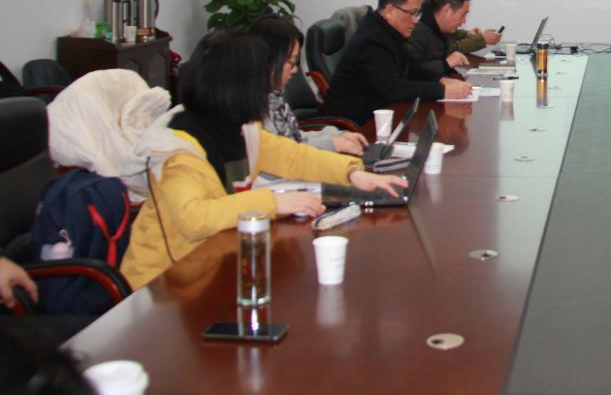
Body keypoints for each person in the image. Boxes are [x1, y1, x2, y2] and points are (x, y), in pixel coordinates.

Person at [121, 31, 405, 291]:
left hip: (217, 263)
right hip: (164, 285)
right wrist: (274, 202)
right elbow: (194, 218)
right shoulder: (178, 149)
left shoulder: (238, 127)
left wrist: (353, 174)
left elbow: (294, 156)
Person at [322, 0, 473, 124]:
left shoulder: (390, 32)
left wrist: (441, 79)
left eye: (417, 14)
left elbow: (411, 68)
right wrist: (443, 90)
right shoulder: (372, 39)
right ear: (390, 10)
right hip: (355, 124)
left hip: (380, 114)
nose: (416, 20)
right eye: (412, 13)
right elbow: (393, 88)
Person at [249, 16, 367, 156]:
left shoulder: (273, 96)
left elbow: (295, 138)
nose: (295, 70)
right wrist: (332, 143)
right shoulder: (251, 107)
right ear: (269, 59)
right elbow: (284, 154)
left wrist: (337, 135)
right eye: (291, 62)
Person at [406, 0, 473, 79]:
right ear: (447, 10)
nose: (464, 21)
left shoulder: (443, 30)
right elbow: (408, 71)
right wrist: (446, 63)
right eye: (463, 15)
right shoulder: (416, 32)